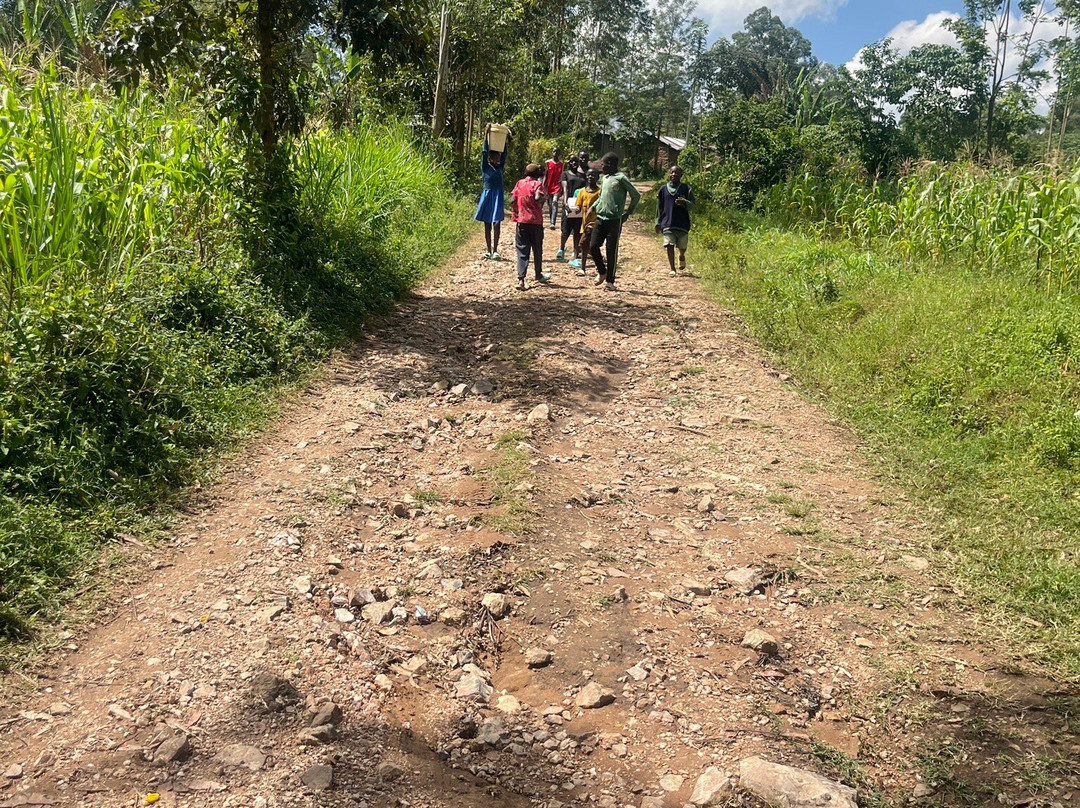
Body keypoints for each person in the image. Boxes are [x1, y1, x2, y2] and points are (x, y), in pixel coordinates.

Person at [590, 152, 640, 290]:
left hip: (614, 220)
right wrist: (593, 207)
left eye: (603, 164)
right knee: (593, 246)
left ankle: (610, 281)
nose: (601, 166)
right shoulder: (605, 178)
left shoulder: (621, 178)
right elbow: (601, 197)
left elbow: (636, 195)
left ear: (610, 164)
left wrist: (627, 213)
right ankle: (602, 272)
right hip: (601, 218)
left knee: (611, 250)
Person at [511, 163, 551, 290]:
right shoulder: (537, 184)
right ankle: (538, 274)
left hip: (522, 221)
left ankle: (521, 279)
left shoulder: (519, 183)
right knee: (537, 248)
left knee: (522, 250)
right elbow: (538, 197)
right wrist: (542, 200)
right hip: (535, 222)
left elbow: (512, 200)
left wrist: (518, 210)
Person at [475, 124, 509, 259]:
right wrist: (486, 133)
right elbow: (484, 151)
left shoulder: (500, 168)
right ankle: (488, 250)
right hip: (487, 195)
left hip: (498, 196)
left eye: (498, 159)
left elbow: (504, 153)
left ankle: (495, 250)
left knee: (496, 223)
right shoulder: (485, 167)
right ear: (490, 159)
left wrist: (504, 137)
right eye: (495, 159)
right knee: (487, 223)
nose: (497, 160)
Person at [655, 165, 695, 275]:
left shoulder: (686, 188)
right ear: (669, 174)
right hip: (667, 222)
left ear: (681, 175)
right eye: (672, 172)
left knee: (682, 247)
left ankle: (681, 256)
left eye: (677, 173)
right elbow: (658, 207)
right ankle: (672, 269)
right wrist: (657, 222)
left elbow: (693, 205)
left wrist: (685, 203)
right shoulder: (663, 190)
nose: (674, 174)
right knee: (669, 244)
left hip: (682, 223)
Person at [571, 168, 601, 275]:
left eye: (593, 175)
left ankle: (585, 268)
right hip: (584, 223)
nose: (590, 177)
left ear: (598, 178)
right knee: (589, 246)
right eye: (588, 175)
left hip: (594, 223)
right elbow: (578, 206)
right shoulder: (582, 191)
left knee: (583, 243)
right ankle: (589, 266)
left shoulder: (599, 192)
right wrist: (574, 210)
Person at [558, 155, 586, 262]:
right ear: (568, 163)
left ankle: (575, 252)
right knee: (565, 230)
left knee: (577, 230)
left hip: (579, 206)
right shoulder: (565, 174)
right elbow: (565, 188)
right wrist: (565, 202)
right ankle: (561, 248)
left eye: (575, 161)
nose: (573, 163)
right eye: (571, 161)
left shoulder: (583, 176)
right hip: (569, 205)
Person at [544, 147, 565, 230]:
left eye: (557, 151)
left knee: (554, 202)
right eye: (554, 151)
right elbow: (546, 175)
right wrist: (543, 185)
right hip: (549, 186)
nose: (555, 153)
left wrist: (563, 188)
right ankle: (551, 220)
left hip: (557, 186)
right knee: (550, 205)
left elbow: (562, 176)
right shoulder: (548, 163)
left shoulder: (562, 164)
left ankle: (553, 223)